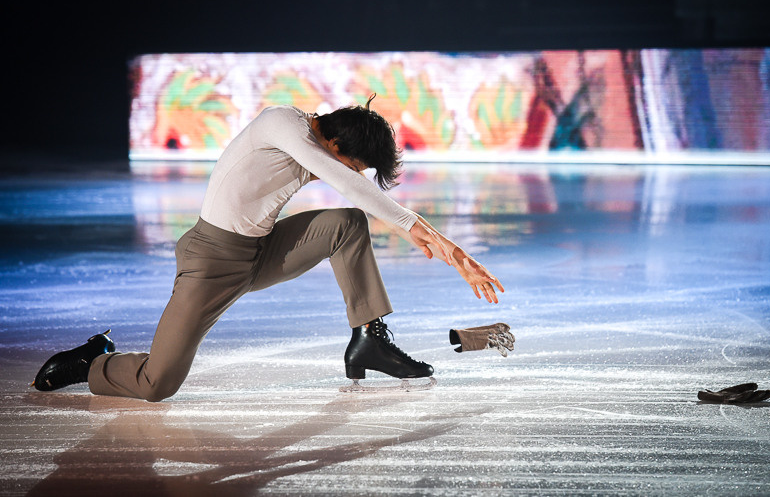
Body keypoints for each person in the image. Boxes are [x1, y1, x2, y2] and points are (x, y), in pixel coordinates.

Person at [31, 96, 504, 401]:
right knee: (158, 384)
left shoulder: (318, 147)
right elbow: (346, 182)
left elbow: (352, 193)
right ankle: (93, 361)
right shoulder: (282, 123)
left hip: (260, 253)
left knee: (347, 224)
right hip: (211, 261)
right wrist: (445, 243)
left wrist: (437, 240)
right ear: (334, 142)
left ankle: (369, 339)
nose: (353, 175)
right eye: (355, 166)